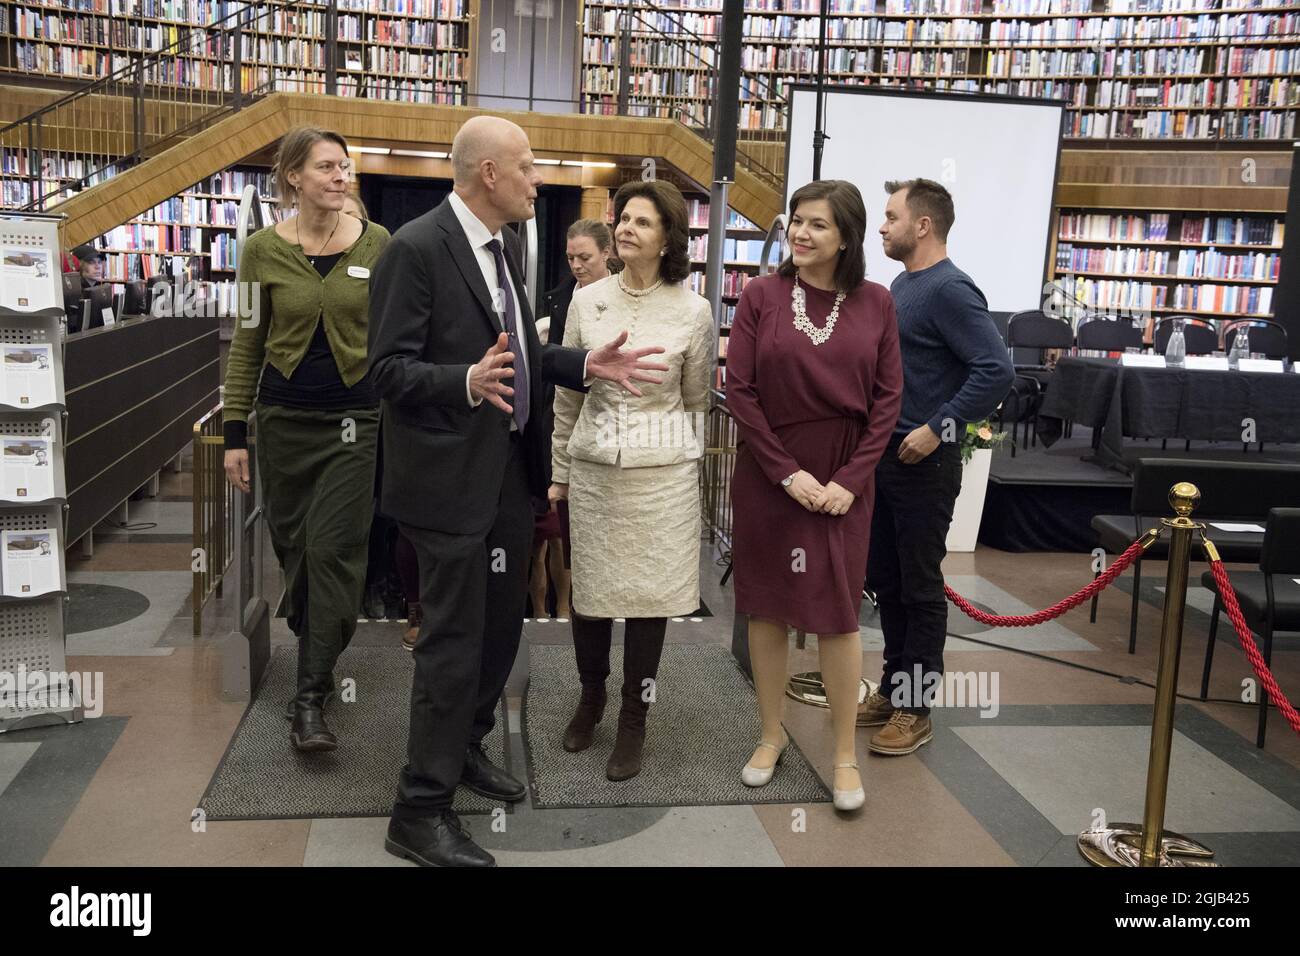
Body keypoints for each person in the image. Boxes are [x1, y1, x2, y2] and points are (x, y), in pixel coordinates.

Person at [367, 115, 668, 868]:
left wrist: (583, 365)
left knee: (503, 626)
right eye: (529, 169)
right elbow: (386, 371)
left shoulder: (508, 246)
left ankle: (462, 749)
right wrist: (464, 382)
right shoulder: (416, 248)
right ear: (490, 175)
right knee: (452, 642)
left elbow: (524, 353)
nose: (540, 181)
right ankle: (418, 809)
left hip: (507, 474)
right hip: (444, 482)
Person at [726, 179, 903, 812]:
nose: (800, 232)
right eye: (797, 221)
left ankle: (844, 756)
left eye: (817, 225)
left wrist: (849, 482)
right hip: (771, 473)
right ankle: (770, 736)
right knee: (767, 609)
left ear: (847, 236)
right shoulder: (760, 296)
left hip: (844, 478)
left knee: (837, 613)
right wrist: (785, 474)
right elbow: (739, 392)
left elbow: (887, 403)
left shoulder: (878, 302)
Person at [222, 125, 391, 752]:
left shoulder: (380, 244)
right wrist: (235, 430)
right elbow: (246, 343)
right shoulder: (260, 251)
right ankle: (315, 642)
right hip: (284, 423)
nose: (340, 176)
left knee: (331, 552)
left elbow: (398, 337)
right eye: (326, 167)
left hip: (355, 422)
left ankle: (310, 696)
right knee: (295, 553)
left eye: (345, 166)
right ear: (294, 176)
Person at [547, 183, 713, 780]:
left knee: (650, 605)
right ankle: (590, 699)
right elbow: (567, 391)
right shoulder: (586, 301)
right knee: (590, 598)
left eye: (643, 222)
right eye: (623, 219)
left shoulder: (693, 311)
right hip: (594, 473)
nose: (626, 229)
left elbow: (695, 400)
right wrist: (559, 471)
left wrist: (678, 458)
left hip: (662, 479)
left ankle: (633, 720)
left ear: (668, 237)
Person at [863, 178, 1014, 755]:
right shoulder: (904, 283)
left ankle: (915, 708)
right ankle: (893, 687)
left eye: (891, 216)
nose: (882, 226)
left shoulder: (951, 289)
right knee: (889, 581)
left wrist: (938, 429)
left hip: (923, 463)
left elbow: (996, 370)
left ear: (922, 225)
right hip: (887, 458)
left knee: (920, 587)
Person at [529, 218, 619, 621]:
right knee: (557, 522)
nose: (577, 265)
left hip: (612, 408)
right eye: (570, 258)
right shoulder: (557, 300)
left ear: (606, 254)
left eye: (585, 257)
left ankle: (597, 600)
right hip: (564, 405)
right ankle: (559, 607)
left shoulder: (623, 294)